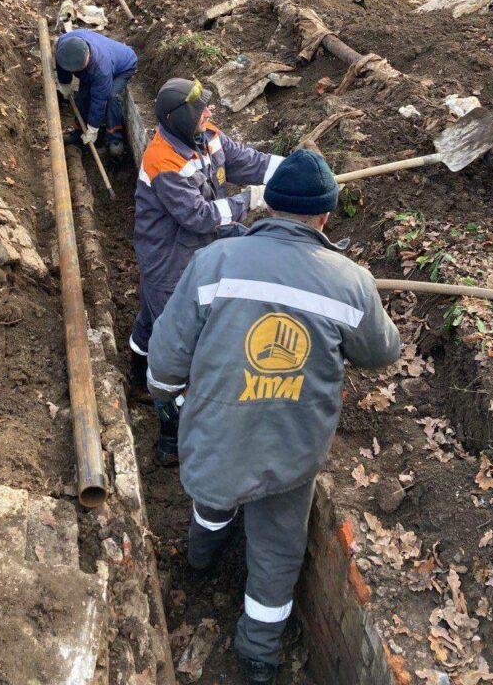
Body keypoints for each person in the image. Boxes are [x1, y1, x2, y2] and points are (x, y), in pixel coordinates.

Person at [146, 150, 401, 685]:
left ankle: (200, 556)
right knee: (278, 549)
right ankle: (258, 654)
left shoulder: (215, 261)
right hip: (293, 445)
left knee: (213, 496)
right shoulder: (349, 281)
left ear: (271, 206)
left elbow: (167, 355)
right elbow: (382, 351)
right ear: (324, 217)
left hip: (217, 432)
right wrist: (359, 294)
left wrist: (166, 396)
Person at [131, 76, 283, 462]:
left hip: (195, 248)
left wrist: (289, 173)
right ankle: (168, 434)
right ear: (180, 118)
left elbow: (247, 161)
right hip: (167, 258)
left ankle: (137, 373)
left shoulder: (207, 135)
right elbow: (198, 216)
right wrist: (247, 202)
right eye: (202, 109)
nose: (210, 112)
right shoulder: (162, 159)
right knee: (170, 333)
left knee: (154, 320)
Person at [55, 29, 137, 158]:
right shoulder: (63, 46)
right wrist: (65, 84)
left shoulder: (101, 68)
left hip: (124, 65)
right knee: (81, 97)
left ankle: (114, 138)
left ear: (88, 56)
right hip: (97, 65)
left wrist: (93, 129)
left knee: (111, 97)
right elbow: (62, 67)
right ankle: (78, 131)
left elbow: (99, 100)